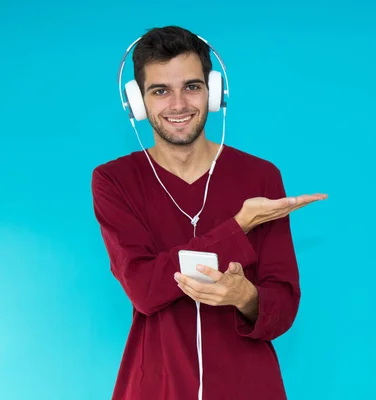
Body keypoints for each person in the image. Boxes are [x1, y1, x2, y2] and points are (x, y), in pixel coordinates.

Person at [91, 25, 327, 400]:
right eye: (160, 91)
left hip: (249, 387)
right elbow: (144, 289)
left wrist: (245, 296)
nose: (179, 104)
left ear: (214, 93)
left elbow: (282, 307)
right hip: (157, 386)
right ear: (138, 103)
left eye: (191, 87)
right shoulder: (114, 181)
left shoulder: (261, 176)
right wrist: (239, 226)